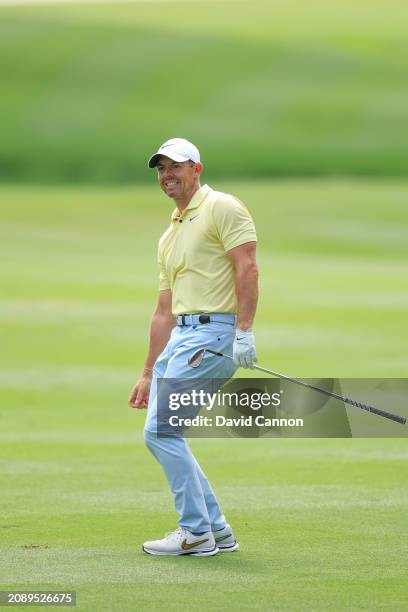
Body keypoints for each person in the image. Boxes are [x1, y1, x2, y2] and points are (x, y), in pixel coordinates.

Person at [128, 138, 259, 557]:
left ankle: (196, 532)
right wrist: (148, 371)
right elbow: (163, 310)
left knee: (161, 431)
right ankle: (216, 531)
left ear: (196, 168)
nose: (167, 175)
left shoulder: (222, 206)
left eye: (176, 166)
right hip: (183, 336)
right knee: (168, 430)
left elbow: (247, 265)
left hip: (213, 334)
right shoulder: (168, 235)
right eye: (161, 169)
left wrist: (244, 331)